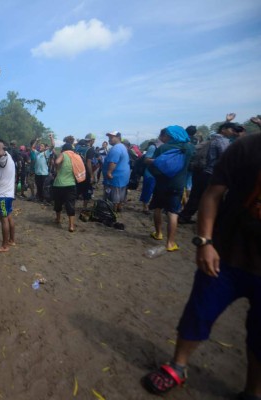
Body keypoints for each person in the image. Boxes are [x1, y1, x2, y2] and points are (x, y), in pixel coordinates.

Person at [141, 128, 261, 399]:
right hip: (226, 253)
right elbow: (212, 193)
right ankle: (178, 365)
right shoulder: (246, 148)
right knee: (199, 310)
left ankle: (253, 390)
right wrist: (204, 242)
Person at [178, 121, 239, 224]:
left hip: (200, 170)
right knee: (214, 198)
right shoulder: (222, 141)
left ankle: (184, 216)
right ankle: (213, 221)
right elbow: (226, 158)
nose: (233, 132)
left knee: (196, 195)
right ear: (223, 130)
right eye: (232, 129)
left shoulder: (212, 138)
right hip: (211, 172)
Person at [146, 126, 195, 251]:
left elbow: (154, 166)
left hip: (161, 184)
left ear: (172, 136)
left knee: (157, 208)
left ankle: (158, 234)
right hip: (178, 185)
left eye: (167, 135)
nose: (166, 137)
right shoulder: (188, 148)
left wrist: (156, 174)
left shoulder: (163, 148)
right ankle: (170, 243)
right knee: (173, 213)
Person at [0, 139, 16, 252]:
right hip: (8, 194)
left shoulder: (4, 157)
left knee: (4, 219)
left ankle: (4, 246)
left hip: (3, 195)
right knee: (9, 217)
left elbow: (0, 153)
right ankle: (12, 240)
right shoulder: (9, 157)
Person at [52, 143, 81, 232]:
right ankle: (71, 226)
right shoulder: (76, 156)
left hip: (59, 183)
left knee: (58, 202)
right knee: (70, 204)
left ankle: (58, 219)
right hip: (71, 184)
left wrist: (57, 168)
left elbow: (57, 162)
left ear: (64, 149)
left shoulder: (64, 154)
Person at [102, 131, 130, 212]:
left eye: (111, 137)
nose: (109, 139)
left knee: (113, 196)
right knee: (121, 194)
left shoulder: (116, 148)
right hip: (123, 176)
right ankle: (119, 208)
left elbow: (113, 162)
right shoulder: (122, 147)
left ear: (118, 138)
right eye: (109, 137)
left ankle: (112, 211)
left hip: (115, 177)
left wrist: (109, 172)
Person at [75, 133, 96, 210]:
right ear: (92, 140)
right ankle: (84, 207)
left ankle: (71, 206)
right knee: (87, 190)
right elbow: (88, 162)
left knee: (76, 189)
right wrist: (91, 175)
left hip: (76, 171)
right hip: (85, 173)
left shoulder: (77, 148)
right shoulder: (90, 149)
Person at [33, 133, 55, 203]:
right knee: (38, 187)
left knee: (44, 187)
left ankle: (46, 199)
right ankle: (40, 198)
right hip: (37, 173)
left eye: (42, 146)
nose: (40, 147)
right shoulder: (37, 153)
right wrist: (36, 141)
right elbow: (33, 148)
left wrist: (51, 138)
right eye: (40, 146)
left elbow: (53, 145)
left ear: (45, 148)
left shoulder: (46, 153)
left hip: (44, 173)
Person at [139, 140, 159, 213]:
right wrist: (159, 160)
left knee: (156, 191)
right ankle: (145, 207)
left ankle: (152, 205)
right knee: (148, 190)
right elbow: (146, 160)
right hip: (150, 173)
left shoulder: (165, 147)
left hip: (160, 174)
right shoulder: (152, 147)